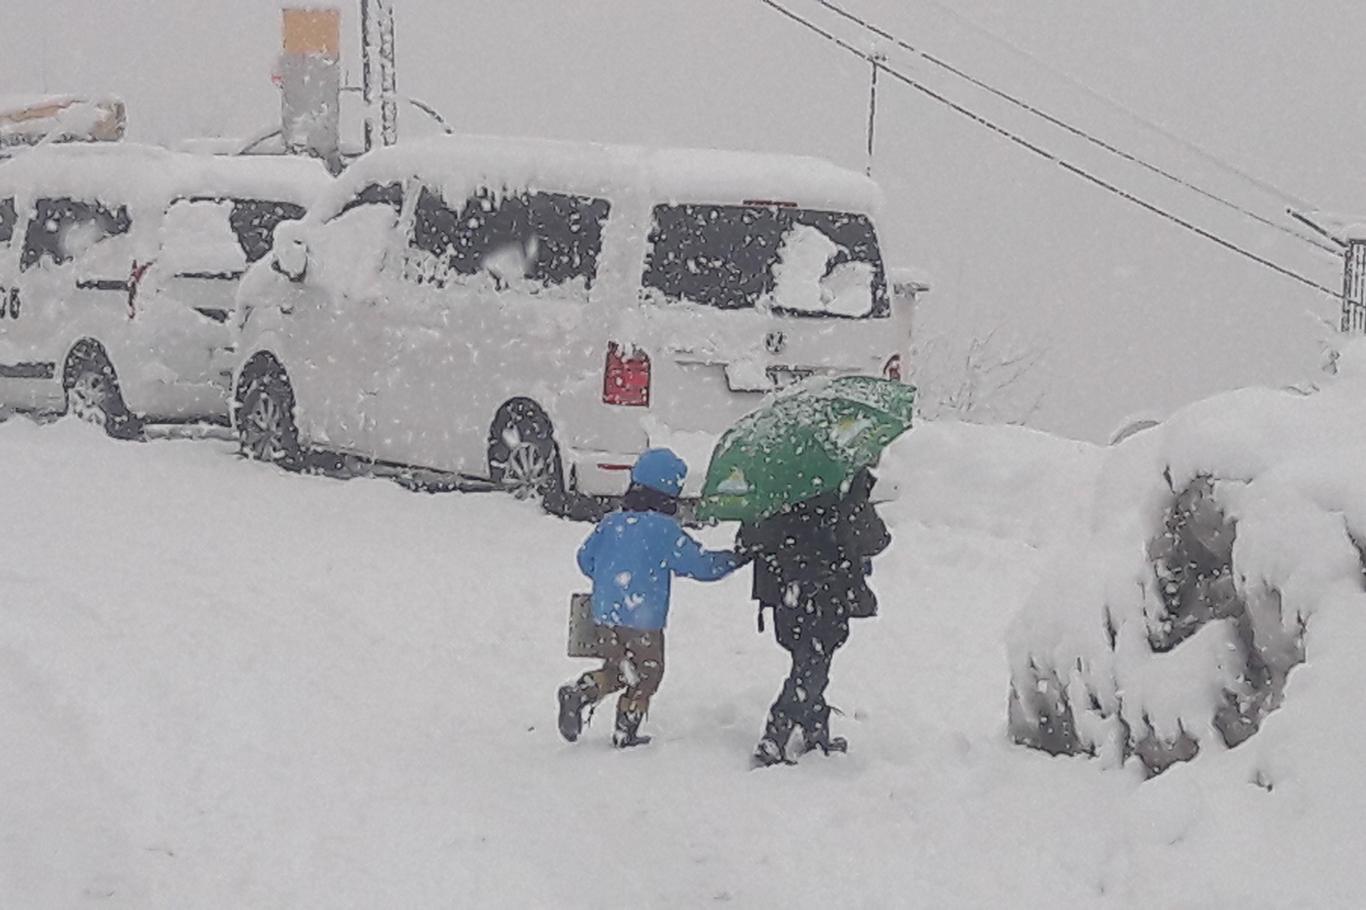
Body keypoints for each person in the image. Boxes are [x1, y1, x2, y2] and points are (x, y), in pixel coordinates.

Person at [558, 448, 742, 748]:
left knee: (619, 669)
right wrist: (735, 558)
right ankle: (626, 728)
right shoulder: (664, 530)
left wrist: (610, 580)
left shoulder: (611, 523)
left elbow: (584, 559)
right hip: (643, 619)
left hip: (605, 614)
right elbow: (700, 566)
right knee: (647, 674)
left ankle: (581, 691)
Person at [737, 467, 891, 766]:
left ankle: (815, 730)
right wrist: (859, 497)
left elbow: (747, 541)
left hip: (786, 595)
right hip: (828, 596)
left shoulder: (775, 494)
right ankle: (775, 733)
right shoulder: (842, 495)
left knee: (807, 661)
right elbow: (876, 540)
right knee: (813, 665)